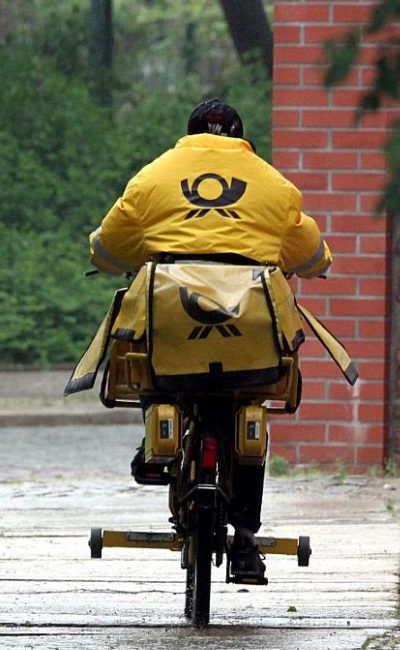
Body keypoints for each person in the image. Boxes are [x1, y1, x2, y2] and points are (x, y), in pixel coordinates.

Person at [87, 99, 332, 582]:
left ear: (189, 135)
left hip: (173, 317)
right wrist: (317, 263)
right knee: (249, 409)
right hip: (249, 328)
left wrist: (109, 258)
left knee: (149, 349)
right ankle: (244, 543)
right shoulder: (273, 185)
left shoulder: (152, 179)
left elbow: (111, 245)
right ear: (242, 137)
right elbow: (307, 251)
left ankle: (157, 443)